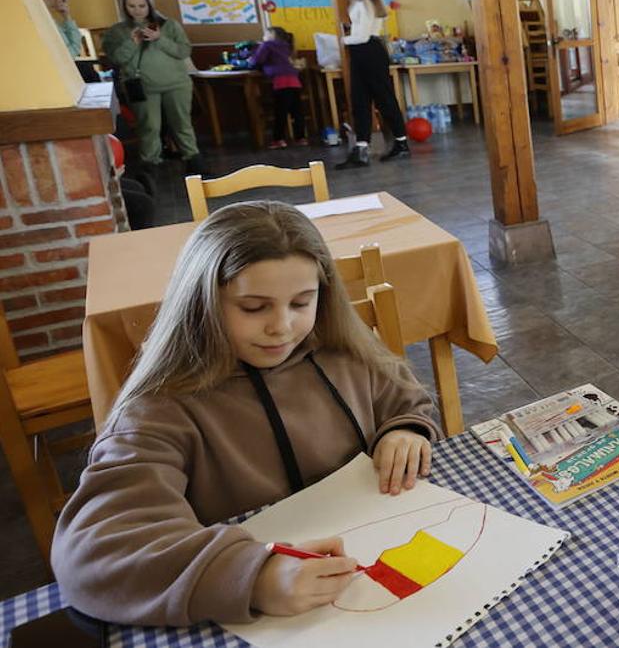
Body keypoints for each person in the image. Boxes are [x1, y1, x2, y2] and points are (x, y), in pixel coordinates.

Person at [51, 201, 443, 626]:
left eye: (301, 302)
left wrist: (403, 429)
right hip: (267, 612)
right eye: (253, 308)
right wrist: (252, 578)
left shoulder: (342, 353)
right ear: (201, 302)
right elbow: (94, 552)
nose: (282, 327)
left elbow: (406, 399)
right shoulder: (160, 408)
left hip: (368, 583)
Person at [102, 0, 208, 176]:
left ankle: (194, 161)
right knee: (149, 127)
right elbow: (116, 58)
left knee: (182, 123)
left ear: (149, 5)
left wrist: (160, 38)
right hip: (141, 86)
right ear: (124, 7)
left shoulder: (169, 25)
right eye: (131, 6)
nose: (137, 11)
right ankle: (150, 166)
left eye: (142, 6)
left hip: (176, 83)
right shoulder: (116, 32)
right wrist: (132, 42)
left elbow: (184, 51)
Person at [336, 0, 408, 168]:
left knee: (383, 98)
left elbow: (362, 36)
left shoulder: (365, 3)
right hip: (362, 52)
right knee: (360, 100)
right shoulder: (360, 3)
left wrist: (343, 40)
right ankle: (361, 148)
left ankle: (401, 143)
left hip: (369, 51)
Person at [32, 0, 99, 83]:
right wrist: (66, 16)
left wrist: (66, 15)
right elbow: (72, 52)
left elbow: (73, 48)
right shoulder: (41, 21)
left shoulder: (48, 19)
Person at [249, 26, 307, 149]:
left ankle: (278, 139)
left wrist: (252, 61)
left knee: (280, 112)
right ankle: (300, 138)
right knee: (297, 112)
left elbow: (257, 60)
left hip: (281, 82)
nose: (263, 37)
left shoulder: (267, 45)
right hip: (294, 81)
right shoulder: (286, 46)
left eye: (265, 34)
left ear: (271, 35)